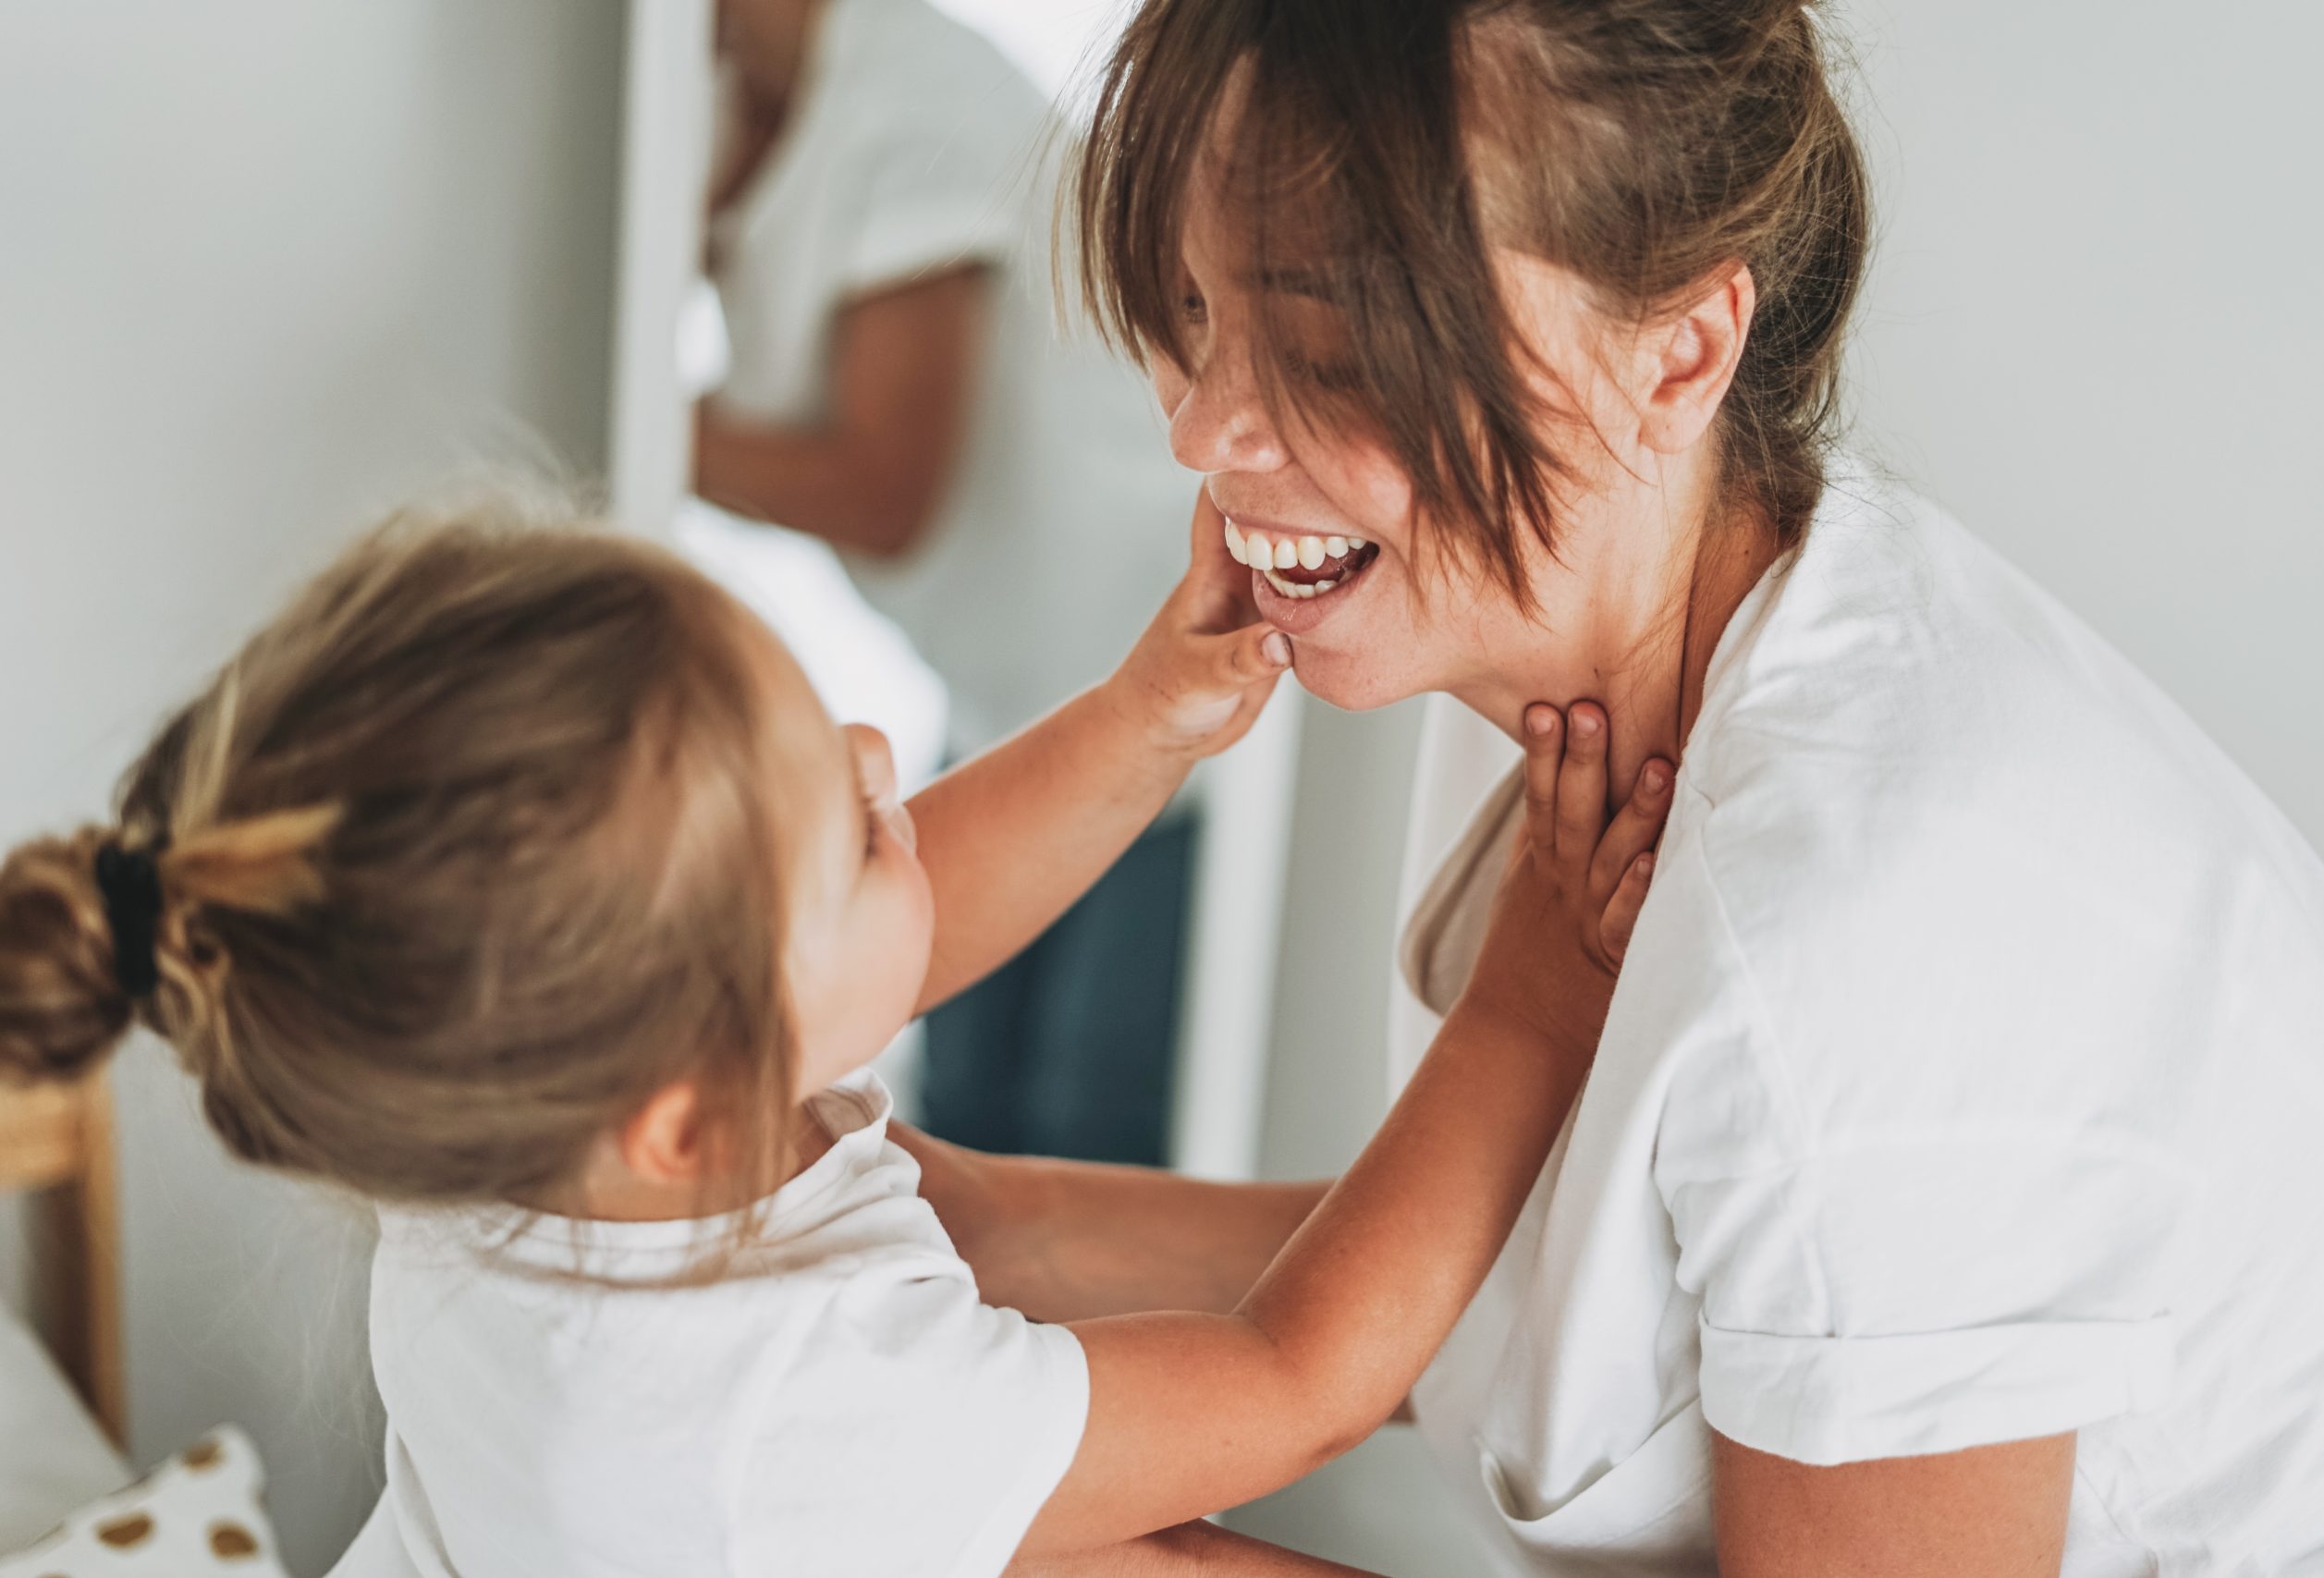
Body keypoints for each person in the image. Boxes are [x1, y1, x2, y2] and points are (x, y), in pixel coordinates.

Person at [909, 1, 2324, 1573]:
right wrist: (960, 1221)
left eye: (1330, 347)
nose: (1204, 425)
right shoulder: (1573, 632)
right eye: (1193, 307)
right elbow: (1598, 1290)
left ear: (1678, 354)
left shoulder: (1868, 926)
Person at [0, 491, 1671, 1576]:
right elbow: (1287, 1380)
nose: (881, 748)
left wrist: (1139, 717)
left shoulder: (520, 1115)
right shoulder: (763, 1423)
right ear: (684, 1105)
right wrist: (1526, 999)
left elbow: (928, 932)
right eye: (847, 822)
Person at [694, 0, 1202, 1165]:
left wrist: (638, 424)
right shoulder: (735, 107)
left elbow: (887, 486)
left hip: (1153, 685)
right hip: (1011, 697)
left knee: (1081, 1127)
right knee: (959, 1110)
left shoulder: (904, 97)